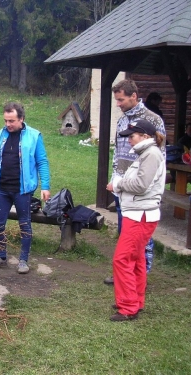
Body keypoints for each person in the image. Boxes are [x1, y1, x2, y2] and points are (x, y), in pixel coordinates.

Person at [104, 79, 166, 285]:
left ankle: (141, 277)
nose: (118, 104)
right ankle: (124, 273)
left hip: (141, 188)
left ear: (133, 96)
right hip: (121, 185)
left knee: (142, 239)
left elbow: (160, 155)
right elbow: (118, 152)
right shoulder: (122, 121)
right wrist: (115, 178)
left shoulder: (152, 119)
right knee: (125, 233)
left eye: (121, 100)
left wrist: (153, 188)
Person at [106, 119, 166, 321]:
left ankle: (128, 307)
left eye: (132, 136)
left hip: (140, 215)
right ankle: (135, 300)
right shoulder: (147, 153)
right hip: (140, 213)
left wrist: (118, 184)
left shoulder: (150, 155)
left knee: (121, 259)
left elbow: (141, 185)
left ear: (145, 136)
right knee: (137, 259)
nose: (129, 141)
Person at [0, 102, 51, 274]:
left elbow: (42, 161)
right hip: (3, 188)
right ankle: (1, 256)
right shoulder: (2, 134)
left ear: (21, 119)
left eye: (12, 121)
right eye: (6, 120)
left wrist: (45, 186)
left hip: (23, 190)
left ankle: (23, 260)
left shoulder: (34, 136)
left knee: (24, 224)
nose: (8, 124)